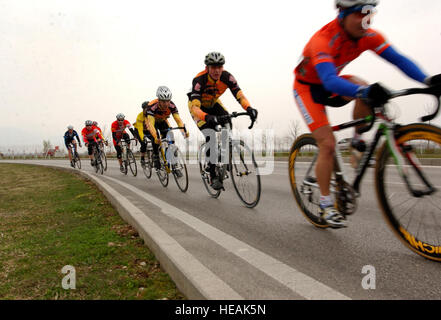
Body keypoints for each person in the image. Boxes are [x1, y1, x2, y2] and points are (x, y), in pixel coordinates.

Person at [292, 0, 441, 228]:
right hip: (309, 89)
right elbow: (329, 81)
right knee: (328, 144)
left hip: (334, 83)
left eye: (370, 14)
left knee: (364, 87)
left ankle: (356, 142)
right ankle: (325, 205)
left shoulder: (369, 36)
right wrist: (364, 91)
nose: (366, 21)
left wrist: (427, 80)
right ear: (342, 14)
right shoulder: (322, 40)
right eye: (360, 15)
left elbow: (399, 59)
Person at [188, 51, 258, 190]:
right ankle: (212, 171)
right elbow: (195, 107)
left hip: (214, 104)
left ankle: (225, 157)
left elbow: (239, 95)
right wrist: (206, 117)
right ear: (207, 67)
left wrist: (249, 108)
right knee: (211, 135)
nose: (217, 70)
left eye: (220, 67)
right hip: (198, 109)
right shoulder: (199, 80)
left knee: (227, 121)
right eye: (213, 67)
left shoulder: (227, 77)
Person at [145, 86, 188, 170]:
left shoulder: (172, 105)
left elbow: (178, 120)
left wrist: (184, 132)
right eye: (163, 102)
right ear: (159, 100)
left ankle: (174, 162)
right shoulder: (152, 106)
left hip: (162, 121)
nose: (166, 104)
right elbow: (151, 124)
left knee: (170, 136)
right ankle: (156, 155)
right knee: (156, 139)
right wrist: (155, 136)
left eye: (168, 101)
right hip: (152, 122)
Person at [133, 101, 150, 167]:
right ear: (143, 109)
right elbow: (140, 130)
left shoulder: (151, 114)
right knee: (143, 143)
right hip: (138, 130)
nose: (148, 111)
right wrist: (143, 137)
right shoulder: (140, 116)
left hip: (147, 129)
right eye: (146, 109)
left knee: (155, 140)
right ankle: (142, 158)